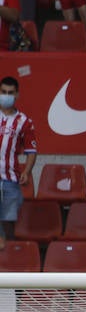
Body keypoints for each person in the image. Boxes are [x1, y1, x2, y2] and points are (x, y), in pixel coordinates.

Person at [0, 75, 35, 241]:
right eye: (3, 92)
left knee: (8, 223)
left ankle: (9, 261)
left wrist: (27, 171)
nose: (6, 95)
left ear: (17, 94)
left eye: (10, 92)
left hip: (10, 178)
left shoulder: (24, 121)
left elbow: (31, 150)